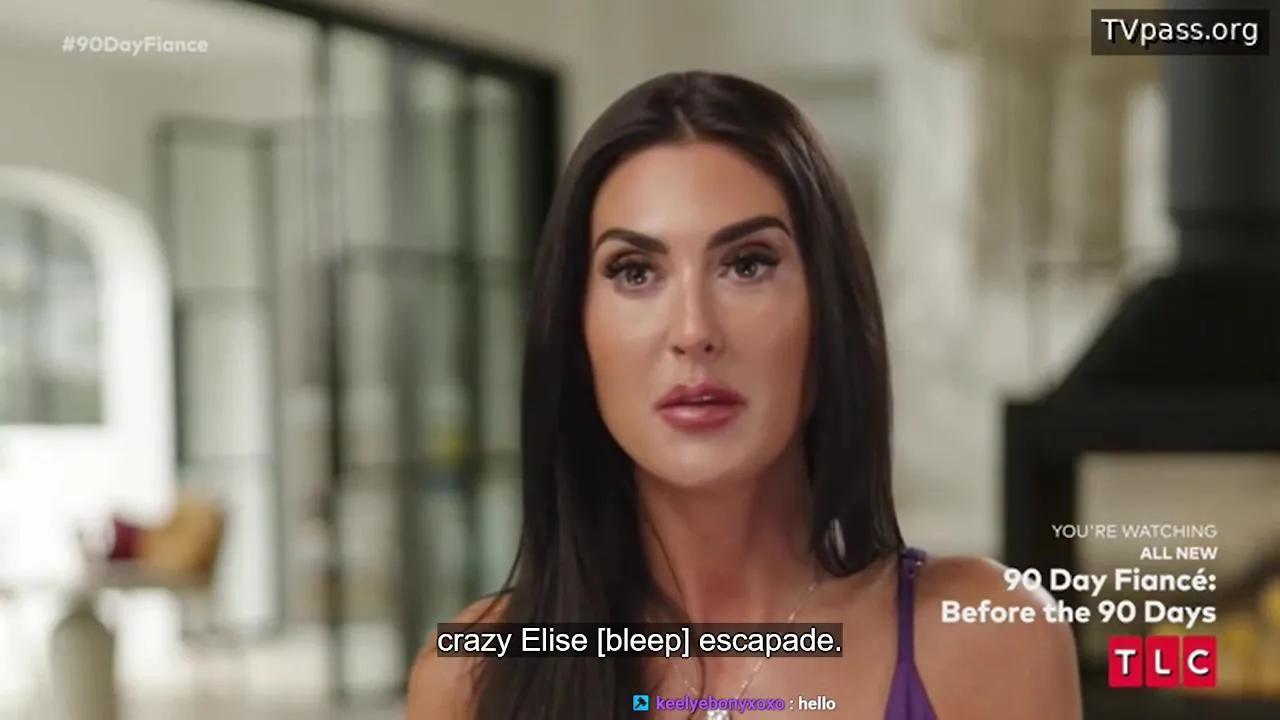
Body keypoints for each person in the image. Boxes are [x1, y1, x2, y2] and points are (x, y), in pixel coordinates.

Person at [408, 71, 1081, 719]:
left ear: (828, 313)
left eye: (748, 264)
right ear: (576, 332)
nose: (694, 331)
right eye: (635, 271)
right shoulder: (474, 674)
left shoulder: (988, 637)